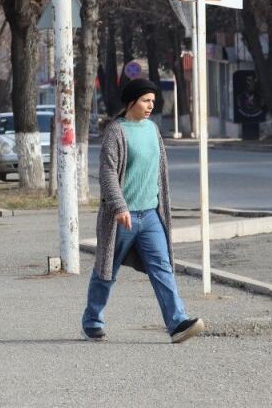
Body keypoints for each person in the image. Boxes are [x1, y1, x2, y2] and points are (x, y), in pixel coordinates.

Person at [82, 77, 205, 344]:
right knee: (107, 270)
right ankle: (92, 320)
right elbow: (107, 174)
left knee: (163, 268)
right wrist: (118, 206)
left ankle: (177, 323)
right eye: (146, 100)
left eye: (153, 101)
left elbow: (159, 174)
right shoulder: (116, 131)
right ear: (132, 102)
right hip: (122, 218)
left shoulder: (152, 130)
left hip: (150, 215)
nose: (151, 105)